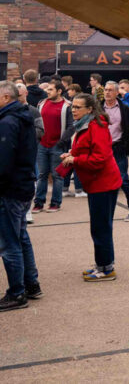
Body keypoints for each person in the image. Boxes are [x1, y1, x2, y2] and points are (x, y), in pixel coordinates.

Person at [60, 92, 123, 282]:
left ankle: (106, 268)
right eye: (73, 107)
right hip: (98, 183)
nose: (74, 110)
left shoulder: (96, 126)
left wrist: (75, 159)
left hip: (103, 184)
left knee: (100, 227)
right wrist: (71, 154)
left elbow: (100, 158)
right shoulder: (85, 125)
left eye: (78, 107)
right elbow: (87, 149)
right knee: (100, 226)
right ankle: (103, 264)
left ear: (89, 109)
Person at [0, 81, 42, 311]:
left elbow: (4, 162)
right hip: (23, 185)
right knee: (21, 236)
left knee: (10, 243)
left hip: (12, 189)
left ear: (6, 97)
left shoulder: (8, 121)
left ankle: (17, 293)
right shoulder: (22, 116)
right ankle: (31, 284)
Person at [101, 81, 129, 222]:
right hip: (102, 148)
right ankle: (106, 212)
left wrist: (124, 145)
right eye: (106, 90)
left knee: (123, 179)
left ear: (117, 92)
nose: (107, 92)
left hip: (118, 147)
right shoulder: (98, 108)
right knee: (103, 181)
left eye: (110, 90)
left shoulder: (125, 108)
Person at [32, 81, 73, 212]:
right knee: (41, 175)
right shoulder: (41, 103)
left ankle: (55, 203)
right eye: (47, 89)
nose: (47, 92)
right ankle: (39, 203)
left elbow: (71, 126)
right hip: (42, 145)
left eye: (50, 89)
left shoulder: (67, 106)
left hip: (57, 146)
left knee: (57, 176)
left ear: (59, 91)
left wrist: (61, 142)